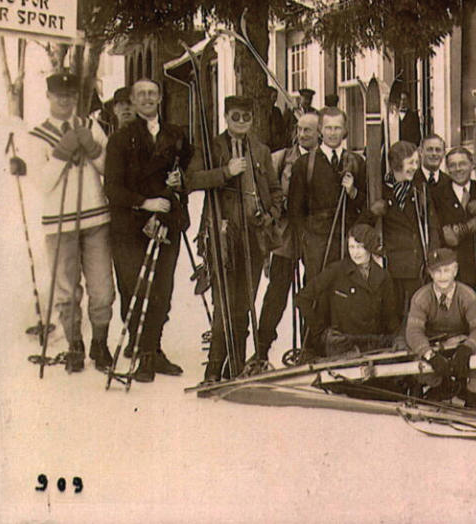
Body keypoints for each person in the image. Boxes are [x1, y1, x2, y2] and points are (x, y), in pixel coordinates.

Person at [19, 72, 115, 373]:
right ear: (48, 96)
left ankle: (100, 343)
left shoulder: (90, 126)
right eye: (59, 94)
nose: (65, 99)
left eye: (70, 94)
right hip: (59, 223)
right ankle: (75, 344)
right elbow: (42, 183)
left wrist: (94, 148)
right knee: (66, 289)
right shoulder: (35, 137)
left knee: (102, 289)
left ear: (77, 97)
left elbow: (110, 169)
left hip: (95, 216)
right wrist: (62, 153)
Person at [186, 95, 284, 383]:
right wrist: (225, 172)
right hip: (223, 234)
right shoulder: (212, 145)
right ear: (226, 117)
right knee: (225, 302)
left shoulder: (261, 150)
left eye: (246, 117)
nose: (241, 122)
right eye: (235, 117)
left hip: (255, 237)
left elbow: (276, 191)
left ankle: (236, 365)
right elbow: (192, 180)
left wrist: (270, 214)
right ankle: (214, 367)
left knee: (246, 302)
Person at [104, 78, 192, 381]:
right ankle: (141, 352)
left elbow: (188, 171)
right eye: (141, 94)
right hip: (131, 225)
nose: (147, 98)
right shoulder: (120, 139)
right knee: (136, 288)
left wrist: (181, 182)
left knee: (162, 291)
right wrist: (145, 203)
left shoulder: (176, 135)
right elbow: (112, 188)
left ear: (160, 98)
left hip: (167, 221)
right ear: (132, 99)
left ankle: (153, 350)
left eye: (152, 93)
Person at [254, 112, 317, 362]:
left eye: (308, 130)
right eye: (299, 129)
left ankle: (310, 347)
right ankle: (261, 348)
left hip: (314, 234)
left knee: (312, 291)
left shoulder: (325, 159)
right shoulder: (281, 159)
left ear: (319, 132)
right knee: (277, 291)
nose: (302, 134)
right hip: (286, 233)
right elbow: (268, 193)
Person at [296, 224, 401, 360]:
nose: (355, 253)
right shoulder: (337, 270)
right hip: (341, 347)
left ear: (370, 247)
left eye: (360, 247)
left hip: (373, 347)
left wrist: (398, 338)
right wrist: (321, 332)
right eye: (351, 247)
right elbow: (302, 298)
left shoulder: (383, 276)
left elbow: (390, 316)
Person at [287, 106, 366, 285]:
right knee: (318, 294)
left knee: (347, 291)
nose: (332, 133)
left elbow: (367, 203)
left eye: (337, 128)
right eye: (328, 128)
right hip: (316, 241)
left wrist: (352, 192)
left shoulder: (356, 162)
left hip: (347, 238)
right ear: (320, 130)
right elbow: (295, 210)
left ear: (345, 130)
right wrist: (305, 241)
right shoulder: (304, 164)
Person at [405, 248, 476, 409]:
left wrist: (467, 348)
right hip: (434, 349)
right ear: (430, 273)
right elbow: (413, 332)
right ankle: (439, 387)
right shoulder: (421, 297)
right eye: (437, 271)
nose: (442, 276)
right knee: (419, 365)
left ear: (455, 270)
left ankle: (472, 395)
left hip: (460, 347)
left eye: (447, 270)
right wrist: (430, 355)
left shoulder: (467, 296)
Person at [366, 141, 441, 313]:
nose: (415, 167)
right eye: (411, 163)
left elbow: (432, 226)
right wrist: (373, 212)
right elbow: (365, 225)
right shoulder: (379, 189)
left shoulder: (420, 190)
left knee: (418, 314)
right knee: (392, 315)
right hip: (390, 266)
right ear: (397, 164)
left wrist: (433, 256)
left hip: (416, 266)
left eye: (416, 162)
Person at [431, 147, 476, 288]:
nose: (458, 169)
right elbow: (444, 234)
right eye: (452, 165)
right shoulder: (437, 194)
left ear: (472, 165)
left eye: (462, 164)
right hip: (451, 268)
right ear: (447, 169)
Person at [265, 86, 288, 151]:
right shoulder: (263, 112)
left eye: (276, 97)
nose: (275, 100)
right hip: (267, 144)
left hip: (277, 145)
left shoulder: (277, 111)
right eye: (274, 97)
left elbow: (282, 128)